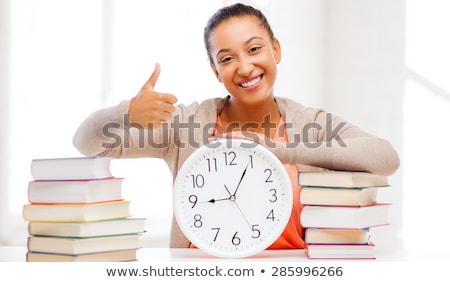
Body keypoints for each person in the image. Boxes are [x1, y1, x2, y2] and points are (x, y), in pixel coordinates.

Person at [73, 3, 400, 249]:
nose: (245, 67)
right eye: (227, 58)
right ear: (216, 71)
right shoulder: (187, 125)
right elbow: (86, 142)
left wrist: (281, 151)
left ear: (276, 50)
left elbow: (386, 158)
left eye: (254, 49)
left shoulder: (309, 124)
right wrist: (128, 112)